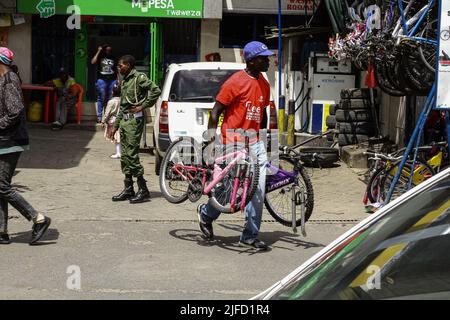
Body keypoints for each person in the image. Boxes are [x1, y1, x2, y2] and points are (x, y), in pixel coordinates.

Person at [197, 41, 274, 251]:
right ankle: (205, 214)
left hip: (254, 143)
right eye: (263, 58)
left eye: (268, 57)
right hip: (231, 142)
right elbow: (216, 112)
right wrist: (211, 141)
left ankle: (249, 236)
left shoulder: (265, 84)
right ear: (251, 60)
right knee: (225, 191)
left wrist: (266, 141)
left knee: (256, 190)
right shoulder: (235, 82)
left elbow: (263, 114)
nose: (268, 60)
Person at [0, 47, 51, 245]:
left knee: (2, 185)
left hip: (10, 140)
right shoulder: (5, 79)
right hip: (5, 140)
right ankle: (2, 231)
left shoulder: (9, 79)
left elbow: (14, 112)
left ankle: (38, 218)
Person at [109, 55, 161, 204]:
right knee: (125, 156)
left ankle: (143, 189)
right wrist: (115, 126)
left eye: (121, 65)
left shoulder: (139, 78)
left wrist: (143, 106)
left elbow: (155, 90)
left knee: (132, 155)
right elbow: (123, 106)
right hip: (125, 122)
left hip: (134, 121)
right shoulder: (125, 80)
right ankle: (128, 188)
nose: (119, 68)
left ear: (129, 65)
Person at [91, 44, 117, 123]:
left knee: (110, 98)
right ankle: (99, 116)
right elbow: (93, 62)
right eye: (107, 50)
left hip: (112, 80)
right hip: (101, 80)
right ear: (104, 50)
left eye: (110, 50)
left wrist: (118, 80)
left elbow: (117, 70)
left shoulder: (113, 58)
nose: (108, 52)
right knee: (101, 98)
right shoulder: (100, 57)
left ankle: (107, 116)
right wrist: (99, 51)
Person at [102, 84, 121, 159]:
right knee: (119, 136)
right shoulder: (122, 100)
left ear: (113, 92)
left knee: (116, 137)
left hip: (113, 121)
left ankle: (118, 153)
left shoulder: (111, 102)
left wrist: (103, 121)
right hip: (121, 119)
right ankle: (119, 152)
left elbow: (107, 113)